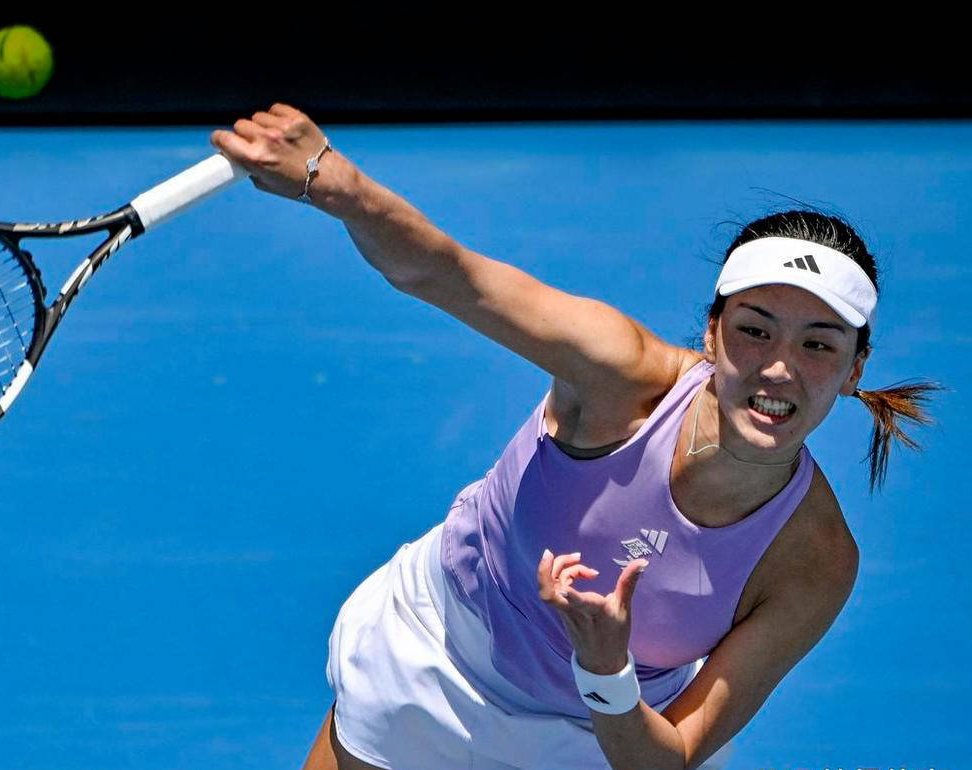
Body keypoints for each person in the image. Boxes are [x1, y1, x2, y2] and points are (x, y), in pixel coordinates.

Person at [211, 105, 941, 770]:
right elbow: (449, 274)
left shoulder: (813, 561)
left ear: (855, 368)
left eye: (818, 344)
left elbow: (669, 758)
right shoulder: (618, 376)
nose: (779, 368)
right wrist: (335, 184)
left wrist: (606, 668)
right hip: (439, 661)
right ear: (712, 332)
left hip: (607, 734)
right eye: (755, 330)